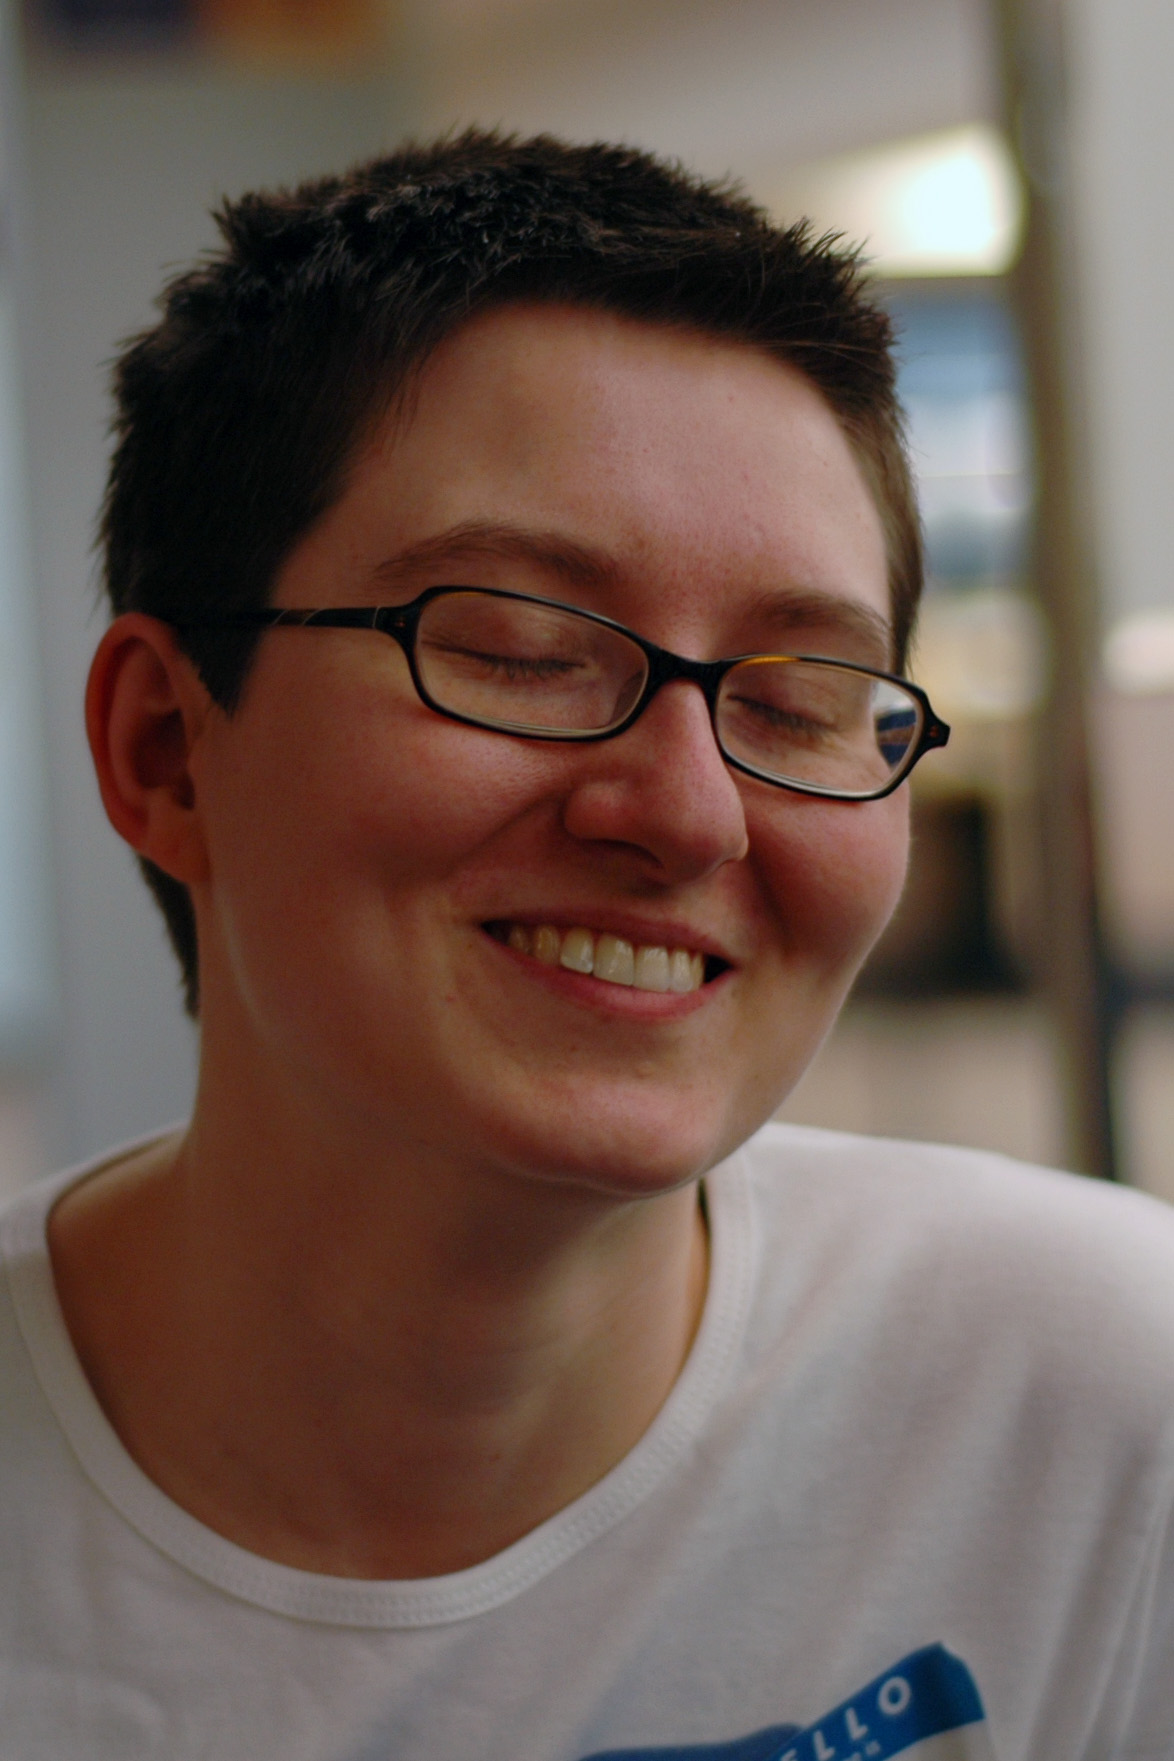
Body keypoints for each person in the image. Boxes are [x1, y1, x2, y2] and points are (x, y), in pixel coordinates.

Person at [1, 131, 1171, 1761]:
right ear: (166, 751)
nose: (687, 813)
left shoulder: (1092, 1413)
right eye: (521, 649)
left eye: (798, 702)